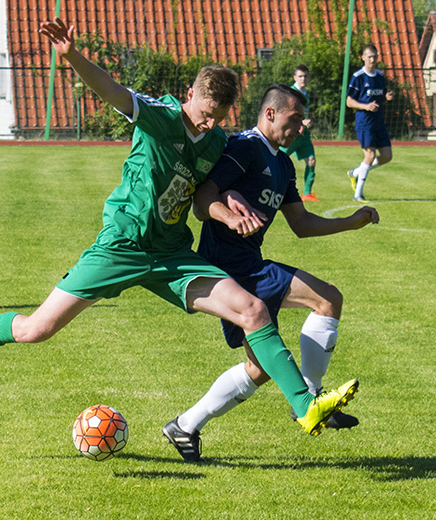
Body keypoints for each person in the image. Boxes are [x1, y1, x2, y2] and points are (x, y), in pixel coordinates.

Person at [0, 18, 354, 438]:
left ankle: (305, 407)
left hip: (171, 256)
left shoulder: (220, 140)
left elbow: (211, 189)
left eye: (218, 118)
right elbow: (110, 90)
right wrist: (72, 56)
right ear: (189, 95)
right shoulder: (159, 116)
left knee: (254, 312)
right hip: (121, 248)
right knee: (37, 330)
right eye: (205, 114)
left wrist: (230, 200)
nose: (209, 125)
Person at [162, 84, 378, 462]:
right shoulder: (244, 147)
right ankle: (308, 401)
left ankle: (185, 425)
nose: (301, 128)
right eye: (295, 120)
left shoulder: (282, 163)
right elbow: (203, 197)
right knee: (326, 299)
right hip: (228, 269)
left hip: (252, 264)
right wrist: (229, 216)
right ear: (270, 114)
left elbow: (301, 223)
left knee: (260, 368)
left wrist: (350, 222)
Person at [346, 44, 394, 203]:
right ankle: (358, 194)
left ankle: (356, 172)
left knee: (387, 156)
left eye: (374, 56)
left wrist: (386, 98)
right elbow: (349, 102)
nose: (372, 59)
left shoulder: (380, 76)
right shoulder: (358, 76)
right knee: (370, 155)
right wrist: (365, 106)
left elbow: (379, 97)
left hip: (378, 121)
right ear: (363, 57)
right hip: (364, 122)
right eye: (369, 57)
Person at [280, 65, 319, 202]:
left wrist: (310, 123)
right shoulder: (291, 94)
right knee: (279, 159)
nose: (303, 79)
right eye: (300, 76)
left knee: (311, 160)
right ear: (295, 77)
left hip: (304, 135)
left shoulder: (306, 94)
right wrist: (302, 123)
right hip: (291, 134)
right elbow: (286, 116)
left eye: (305, 76)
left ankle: (307, 194)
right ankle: (274, 187)